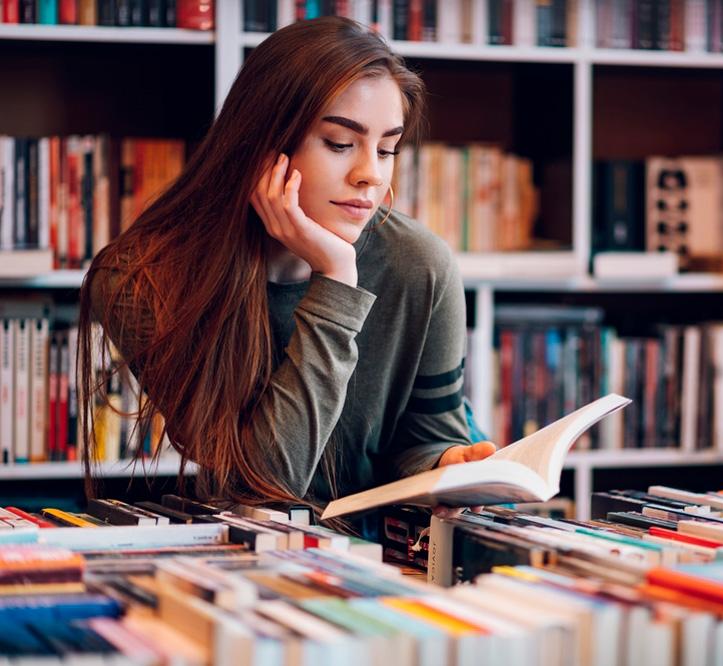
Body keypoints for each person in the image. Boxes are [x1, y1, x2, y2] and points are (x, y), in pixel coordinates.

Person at [78, 16, 496, 530]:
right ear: (262, 142)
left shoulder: (420, 265)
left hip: (390, 557)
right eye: (341, 144)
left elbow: (428, 435)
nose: (370, 174)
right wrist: (337, 282)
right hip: (257, 558)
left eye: (386, 149)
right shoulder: (140, 281)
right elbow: (268, 481)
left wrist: (445, 464)